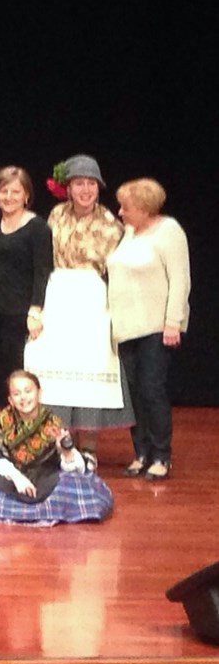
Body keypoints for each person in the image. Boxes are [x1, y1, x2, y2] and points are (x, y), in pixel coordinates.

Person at [25, 155, 129, 454]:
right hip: (58, 295)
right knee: (57, 371)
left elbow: (118, 270)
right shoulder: (56, 215)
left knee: (89, 371)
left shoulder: (110, 222)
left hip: (92, 300)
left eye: (91, 184)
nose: (86, 190)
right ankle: (62, 447)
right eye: (79, 183)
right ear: (68, 188)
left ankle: (90, 450)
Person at [107, 178, 190, 481]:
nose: (120, 212)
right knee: (133, 394)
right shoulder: (129, 232)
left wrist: (173, 321)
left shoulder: (169, 231)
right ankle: (141, 452)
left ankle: (161, 455)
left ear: (144, 208)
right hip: (126, 327)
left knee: (152, 389)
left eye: (126, 207)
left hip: (156, 326)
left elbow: (180, 280)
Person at [0, 370, 113, 524]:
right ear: (10, 400)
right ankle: (43, 511)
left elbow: (68, 466)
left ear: (39, 393)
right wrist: (17, 478)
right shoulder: (2, 421)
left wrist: (66, 452)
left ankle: (21, 510)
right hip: (12, 481)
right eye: (17, 394)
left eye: (28, 391)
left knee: (73, 481)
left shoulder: (53, 422)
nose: (23, 397)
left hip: (45, 479)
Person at [0, 166, 53, 412]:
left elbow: (42, 271)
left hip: (18, 314)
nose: (8, 197)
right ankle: (6, 423)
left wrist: (35, 311)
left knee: (16, 374)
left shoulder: (38, 227)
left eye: (15, 192)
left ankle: (22, 425)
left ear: (26, 195)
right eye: (3, 191)